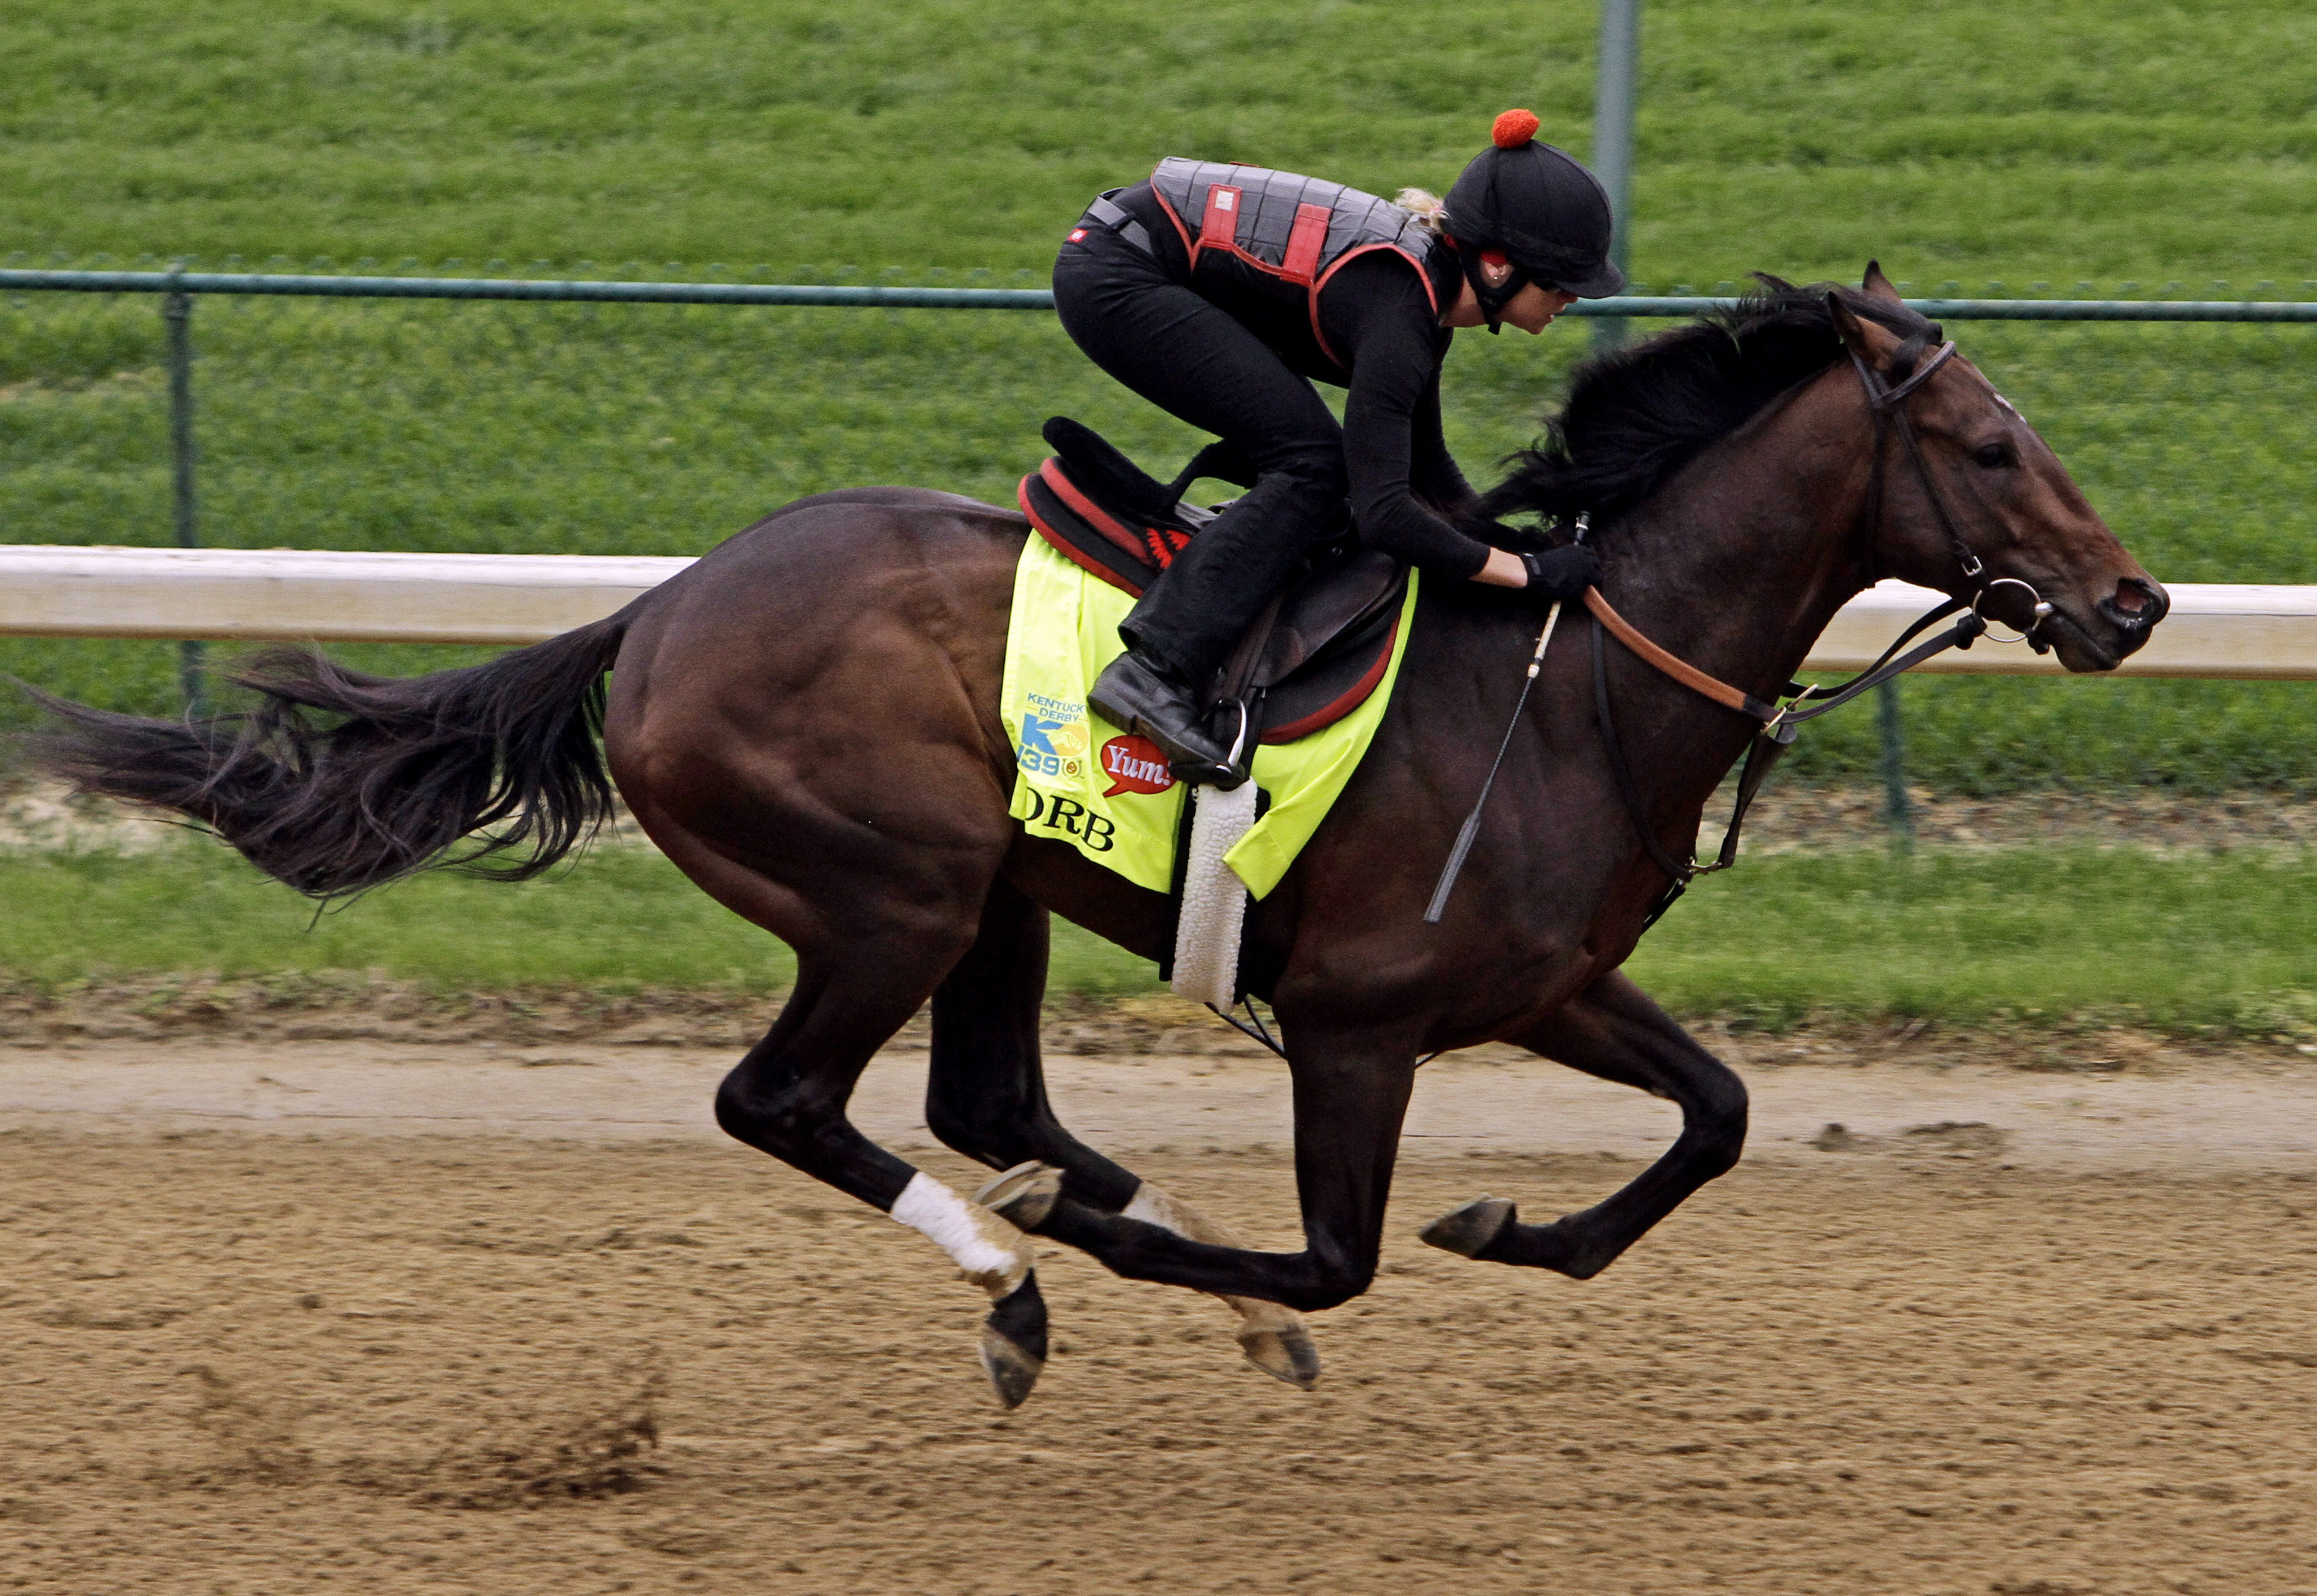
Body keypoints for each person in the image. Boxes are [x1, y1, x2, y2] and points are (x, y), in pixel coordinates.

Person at [1056, 109, 1625, 784]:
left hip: (1137, 253)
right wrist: (1524, 575)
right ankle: (1151, 673)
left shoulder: (1424, 298)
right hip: (1118, 273)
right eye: (1562, 283)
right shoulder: (1400, 310)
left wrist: (1518, 545)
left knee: (1316, 461)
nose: (1573, 301)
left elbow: (1426, 468)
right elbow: (1387, 514)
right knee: (1314, 464)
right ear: (1498, 266)